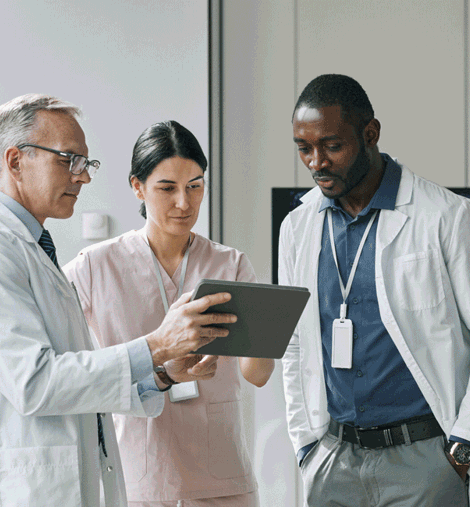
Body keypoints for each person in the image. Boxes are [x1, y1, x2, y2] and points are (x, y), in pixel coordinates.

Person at [0, 94, 237, 507]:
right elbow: (35, 384)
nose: (83, 177)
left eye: (85, 163)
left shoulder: (37, 249)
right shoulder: (10, 250)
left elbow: (79, 382)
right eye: (67, 160)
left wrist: (161, 375)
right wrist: (156, 345)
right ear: (16, 161)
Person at [279, 74, 470, 506]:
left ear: (370, 134)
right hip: (334, 460)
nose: (316, 162)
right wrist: (307, 447)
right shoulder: (297, 227)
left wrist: (463, 444)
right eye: (304, 148)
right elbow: (294, 342)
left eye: (331, 145)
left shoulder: (446, 217)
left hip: (426, 460)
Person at [63, 120, 275, 507]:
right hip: (138, 477)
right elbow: (69, 369)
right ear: (137, 186)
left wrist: (266, 330)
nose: (184, 202)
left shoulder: (230, 264)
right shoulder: (94, 266)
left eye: (195, 186)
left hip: (222, 477)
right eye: (167, 188)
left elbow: (256, 376)